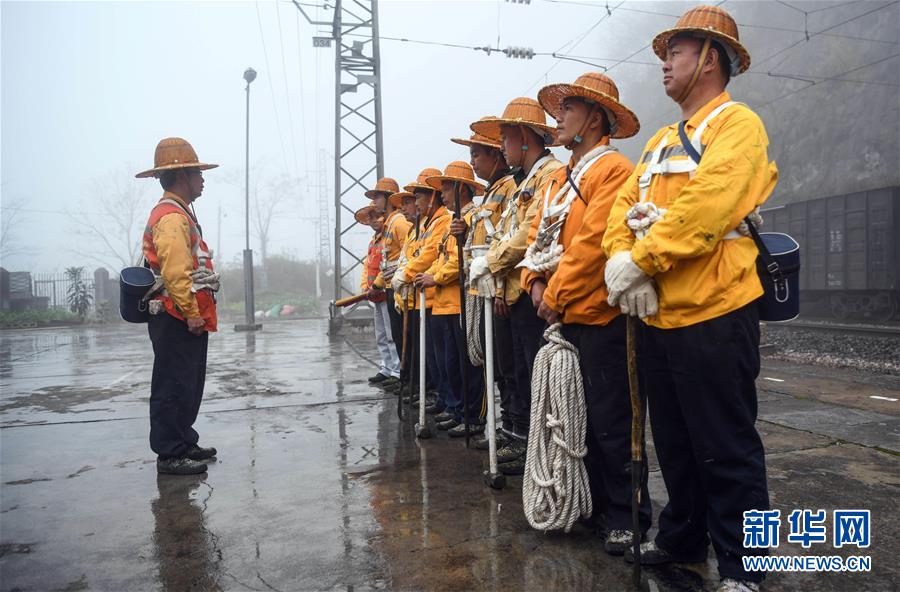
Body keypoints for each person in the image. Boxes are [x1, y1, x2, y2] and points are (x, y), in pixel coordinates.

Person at [602, 6, 777, 591]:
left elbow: (709, 204)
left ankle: (747, 567)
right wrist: (625, 264)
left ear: (709, 58)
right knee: (675, 443)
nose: (664, 63)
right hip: (659, 316)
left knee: (725, 446)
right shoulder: (655, 144)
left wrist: (642, 258)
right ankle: (683, 536)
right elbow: (619, 215)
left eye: (674, 51)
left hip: (717, 311)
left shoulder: (738, 126)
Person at [521, 72, 652, 553]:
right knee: (574, 420)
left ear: (595, 119)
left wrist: (552, 294)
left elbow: (592, 244)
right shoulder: (558, 177)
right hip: (560, 313)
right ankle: (593, 507)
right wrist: (532, 281)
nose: (559, 118)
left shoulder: (613, 170)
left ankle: (627, 516)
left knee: (612, 421)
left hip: (600, 316)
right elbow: (538, 237)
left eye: (569, 110)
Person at [468, 98, 563, 475]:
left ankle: (536, 446)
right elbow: (508, 233)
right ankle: (522, 439)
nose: (502, 147)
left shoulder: (549, 174)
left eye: (505, 139)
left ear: (525, 138)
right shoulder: (524, 182)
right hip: (515, 291)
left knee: (535, 376)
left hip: (535, 293)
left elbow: (529, 235)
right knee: (518, 373)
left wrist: (491, 262)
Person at [136, 137, 220, 476]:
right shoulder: (171, 218)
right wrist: (192, 313)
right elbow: (175, 273)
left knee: (187, 382)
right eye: (198, 173)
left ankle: (184, 441)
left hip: (182, 314)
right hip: (176, 315)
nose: (203, 179)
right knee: (172, 385)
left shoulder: (180, 213)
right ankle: (170, 454)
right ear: (183, 176)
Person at [449, 120, 519, 451]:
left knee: (508, 370)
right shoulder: (491, 192)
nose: (474, 162)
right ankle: (500, 428)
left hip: (498, 291)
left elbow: (509, 239)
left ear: (495, 155)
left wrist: (502, 288)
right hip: (481, 290)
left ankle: (512, 432)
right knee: (493, 364)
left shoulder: (509, 188)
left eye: (478, 155)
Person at [417, 162, 487, 436]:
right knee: (450, 363)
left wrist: (436, 277)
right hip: (443, 302)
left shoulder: (472, 218)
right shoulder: (451, 224)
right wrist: (428, 274)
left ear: (461, 189)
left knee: (468, 364)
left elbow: (463, 260)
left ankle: (473, 416)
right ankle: (458, 410)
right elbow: (443, 258)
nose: (442, 195)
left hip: (461, 301)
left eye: (446, 189)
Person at [392, 169, 452, 414]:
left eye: (417, 198)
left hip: (434, 298)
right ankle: (439, 398)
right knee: (432, 357)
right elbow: (409, 257)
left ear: (432, 196)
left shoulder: (443, 221)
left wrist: (405, 275)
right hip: (418, 298)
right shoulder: (424, 225)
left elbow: (429, 255)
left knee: (444, 360)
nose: (413, 204)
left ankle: (446, 401)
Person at [367, 178, 410, 392]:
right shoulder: (389, 225)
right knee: (385, 332)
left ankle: (399, 372)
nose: (373, 201)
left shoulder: (399, 222)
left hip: (397, 285)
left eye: (377, 197)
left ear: (389, 198)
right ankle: (391, 369)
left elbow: (408, 251)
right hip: (387, 284)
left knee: (396, 333)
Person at [357, 205, 400, 389]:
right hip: (374, 293)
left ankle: (397, 371)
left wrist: (377, 285)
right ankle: (386, 367)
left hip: (386, 291)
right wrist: (365, 287)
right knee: (380, 334)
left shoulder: (388, 239)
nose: (374, 220)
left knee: (391, 334)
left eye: (377, 216)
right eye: (371, 218)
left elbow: (389, 265)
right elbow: (367, 266)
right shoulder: (373, 241)